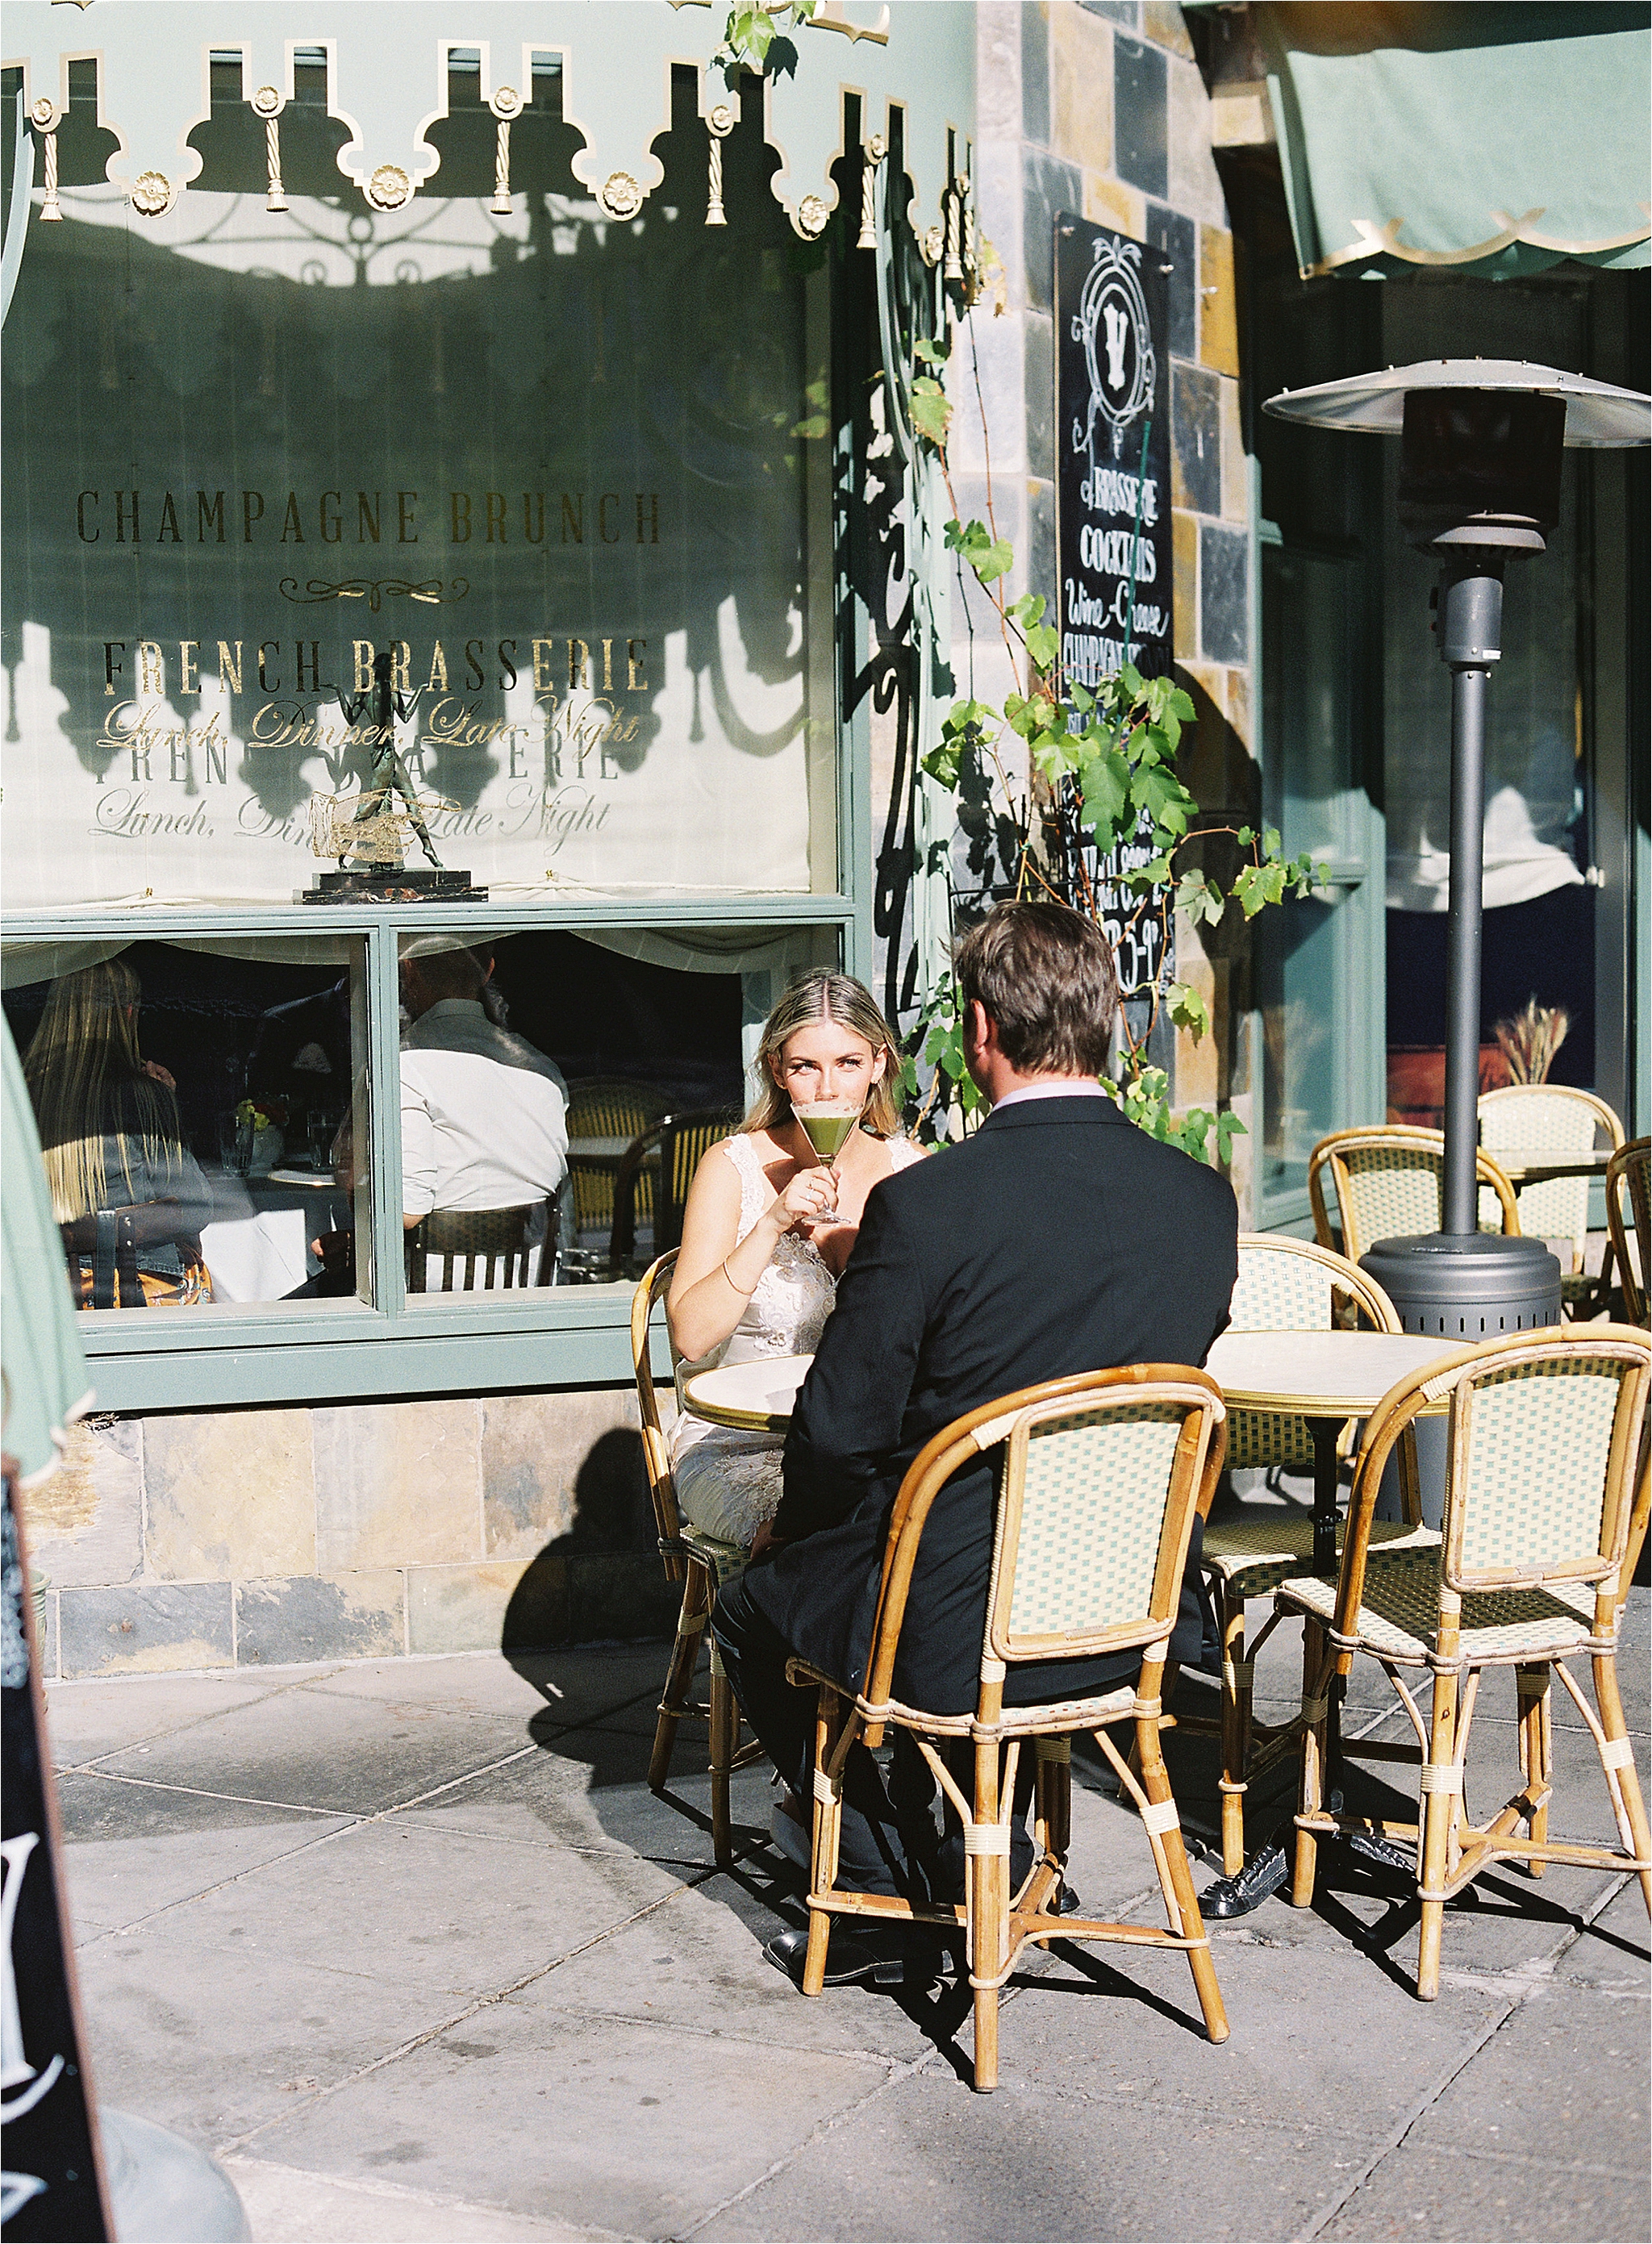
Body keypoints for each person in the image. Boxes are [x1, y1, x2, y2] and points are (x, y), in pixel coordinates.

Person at [711, 900, 1239, 1983]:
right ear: (1113, 1027)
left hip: (956, 1634)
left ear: (983, 1030)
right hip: (1130, 1623)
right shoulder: (1202, 1200)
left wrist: (795, 1541)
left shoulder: (930, 1204)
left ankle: (884, 1893)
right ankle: (983, 1856)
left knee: (752, 1603)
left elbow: (836, 1435)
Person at [668, 973, 924, 1548]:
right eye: (806, 1066)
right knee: (807, 1538)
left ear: (879, 1065)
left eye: (849, 1064)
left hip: (863, 1444)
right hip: (740, 1444)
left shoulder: (912, 1173)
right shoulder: (731, 1167)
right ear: (778, 1071)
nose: (829, 1088)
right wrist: (772, 1225)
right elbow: (689, 1338)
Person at [23, 958, 215, 1307]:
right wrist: (166, 1105)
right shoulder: (142, 1096)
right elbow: (195, 1206)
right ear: (127, 1013)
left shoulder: (18, 1093)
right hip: (137, 1288)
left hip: (39, 1292)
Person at [397, 939, 569, 1277]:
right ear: (488, 971)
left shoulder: (403, 1067)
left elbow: (406, 1210)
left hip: (432, 1290)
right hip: (532, 1283)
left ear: (408, 971)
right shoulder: (540, 1068)